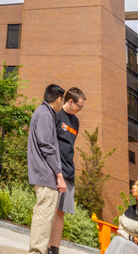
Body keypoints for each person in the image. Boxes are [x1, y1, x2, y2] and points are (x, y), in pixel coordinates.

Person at [27, 84, 67, 254]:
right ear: (58, 99)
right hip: (46, 174)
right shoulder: (45, 115)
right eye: (62, 100)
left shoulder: (43, 113)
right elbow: (47, 146)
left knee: (43, 215)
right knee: (43, 216)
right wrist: (59, 174)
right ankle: (37, 251)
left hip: (44, 173)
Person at [50, 87, 86, 254]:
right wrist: (56, 171)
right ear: (70, 101)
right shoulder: (57, 116)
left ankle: (54, 248)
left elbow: (69, 146)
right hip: (54, 171)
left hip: (68, 172)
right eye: (80, 106)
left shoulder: (76, 122)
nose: (80, 109)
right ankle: (45, 245)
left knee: (61, 213)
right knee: (49, 209)